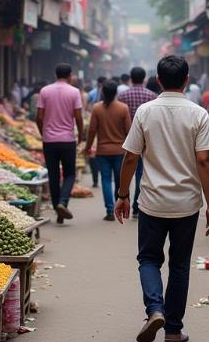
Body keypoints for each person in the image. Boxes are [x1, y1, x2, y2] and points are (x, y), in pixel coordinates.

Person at [114, 54, 209, 342]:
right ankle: (172, 329)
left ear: (158, 80)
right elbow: (205, 161)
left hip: (151, 202)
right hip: (186, 203)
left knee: (148, 259)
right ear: (187, 79)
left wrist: (123, 195)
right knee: (180, 265)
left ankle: (154, 309)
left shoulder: (145, 112)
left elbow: (131, 157)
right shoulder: (198, 114)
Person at [37, 64, 85, 224]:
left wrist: (43, 132)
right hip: (67, 139)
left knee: (53, 175)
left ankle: (58, 208)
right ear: (70, 75)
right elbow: (78, 117)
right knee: (70, 173)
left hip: (49, 140)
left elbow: (39, 116)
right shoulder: (74, 92)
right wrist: (81, 135)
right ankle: (62, 203)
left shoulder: (45, 91)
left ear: (55, 74)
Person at [85, 80, 131, 221]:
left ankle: (110, 210)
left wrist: (88, 147)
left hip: (103, 151)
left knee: (105, 180)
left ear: (103, 93)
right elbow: (129, 131)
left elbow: (92, 130)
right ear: (116, 92)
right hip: (119, 151)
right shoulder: (123, 108)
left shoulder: (97, 108)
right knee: (119, 179)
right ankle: (120, 206)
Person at [119, 67, 157, 218]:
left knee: (128, 167)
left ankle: (124, 198)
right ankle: (137, 205)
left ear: (131, 78)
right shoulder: (152, 96)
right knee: (142, 173)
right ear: (144, 78)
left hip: (128, 139)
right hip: (148, 139)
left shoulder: (122, 96)